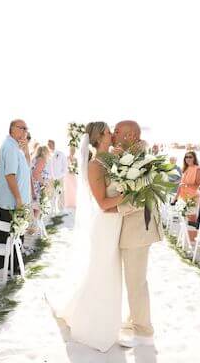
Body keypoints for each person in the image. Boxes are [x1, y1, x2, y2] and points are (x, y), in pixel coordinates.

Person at [50, 121, 124, 352]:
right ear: (100, 136)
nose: (113, 135)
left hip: (116, 222)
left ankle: (111, 323)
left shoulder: (113, 159)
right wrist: (129, 195)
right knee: (101, 271)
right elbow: (102, 203)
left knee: (112, 272)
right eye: (109, 132)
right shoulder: (94, 165)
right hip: (105, 224)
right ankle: (93, 323)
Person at [113, 120, 162, 348]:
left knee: (136, 281)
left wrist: (111, 208)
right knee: (134, 279)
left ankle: (143, 330)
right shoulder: (130, 156)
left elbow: (140, 197)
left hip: (137, 228)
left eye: (117, 132)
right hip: (131, 228)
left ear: (131, 135)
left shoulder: (141, 159)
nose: (113, 135)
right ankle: (134, 320)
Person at [0, 119, 32, 272]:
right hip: (13, 200)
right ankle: (13, 266)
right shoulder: (10, 147)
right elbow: (10, 175)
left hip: (14, 199)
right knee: (14, 233)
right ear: (13, 129)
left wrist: (26, 149)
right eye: (23, 128)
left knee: (8, 231)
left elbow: (26, 167)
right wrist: (19, 199)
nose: (25, 131)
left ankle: (0, 263)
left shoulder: (15, 147)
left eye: (27, 129)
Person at [48, 140, 68, 213]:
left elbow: (65, 166)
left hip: (59, 178)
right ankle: (51, 210)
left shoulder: (60, 154)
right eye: (48, 145)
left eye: (49, 144)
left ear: (53, 144)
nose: (48, 146)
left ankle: (61, 210)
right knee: (50, 194)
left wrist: (61, 175)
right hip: (50, 178)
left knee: (60, 193)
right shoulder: (46, 154)